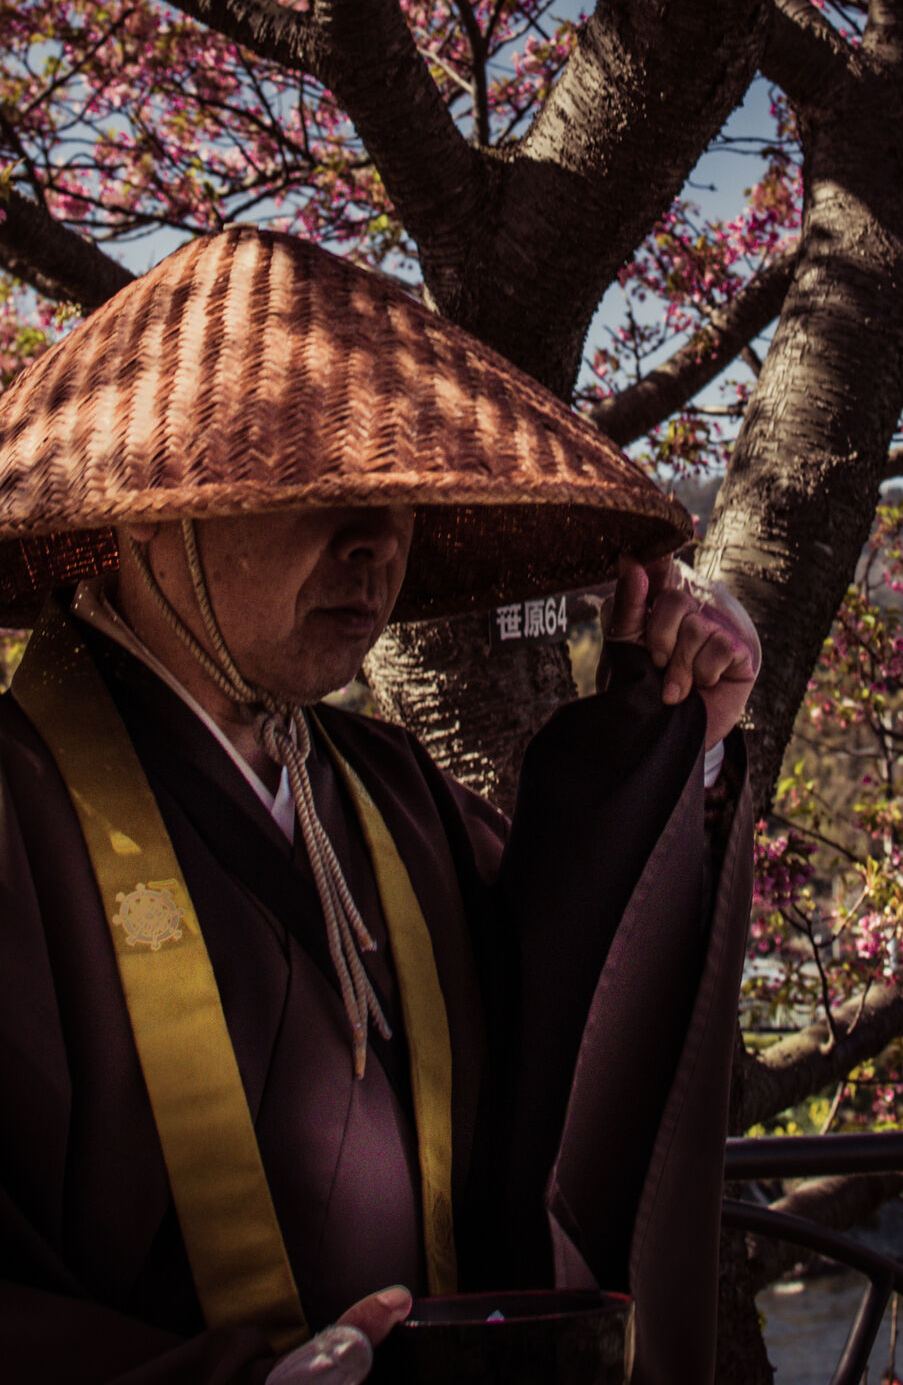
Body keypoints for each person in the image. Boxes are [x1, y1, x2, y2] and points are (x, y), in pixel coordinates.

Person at [0, 226, 759, 1385]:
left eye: (397, 496)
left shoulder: (381, 782)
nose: (375, 544)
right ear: (144, 506)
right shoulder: (17, 808)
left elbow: (555, 1015)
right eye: (313, 491)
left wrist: (662, 741)